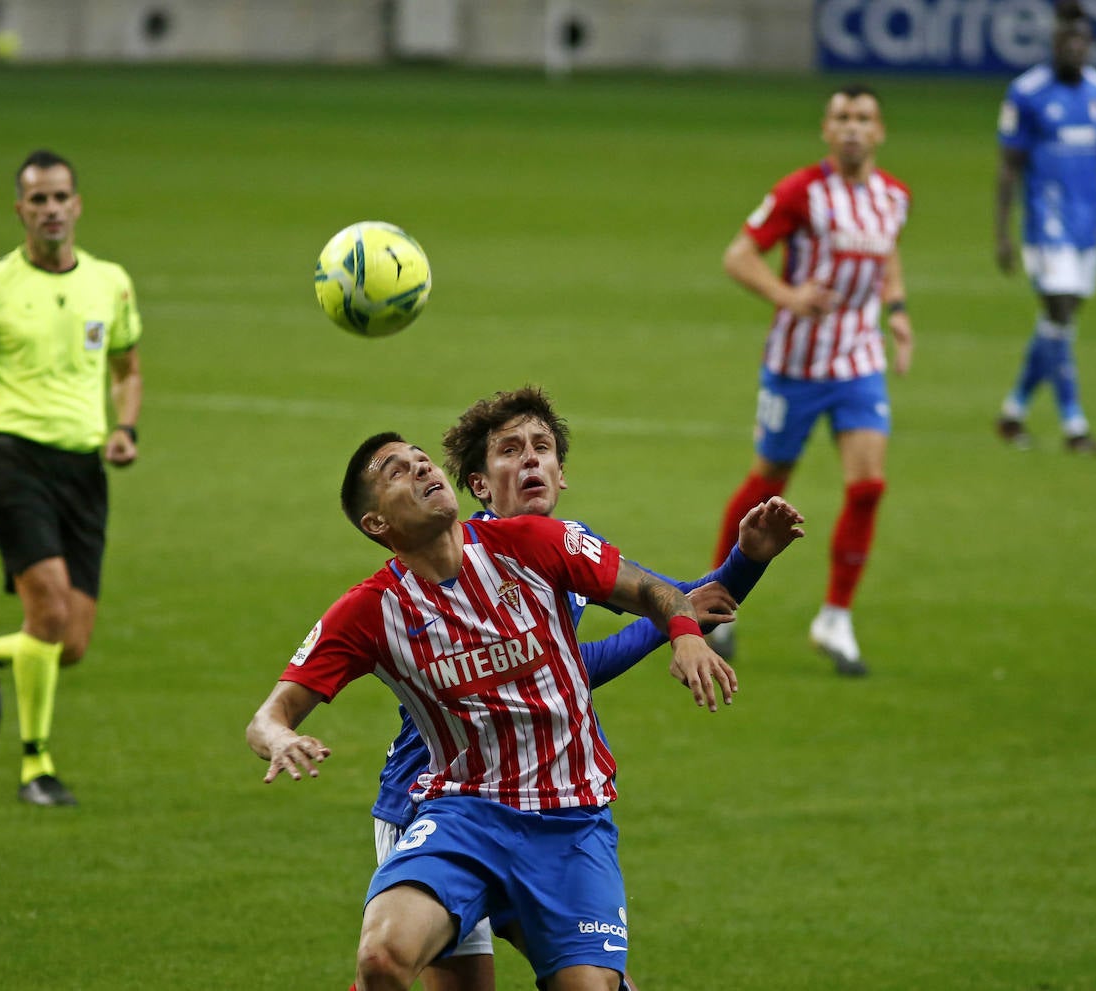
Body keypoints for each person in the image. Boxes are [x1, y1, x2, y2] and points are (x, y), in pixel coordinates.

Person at [247, 432, 744, 991]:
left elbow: (655, 590)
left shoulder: (532, 541)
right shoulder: (370, 611)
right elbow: (266, 717)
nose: (421, 469)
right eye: (396, 472)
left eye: (421, 459)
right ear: (376, 525)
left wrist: (685, 635)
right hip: (466, 817)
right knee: (382, 958)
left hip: (571, 820)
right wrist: (282, 737)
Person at [369, 386, 804, 991]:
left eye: (542, 448)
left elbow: (674, 600)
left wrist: (746, 560)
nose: (530, 460)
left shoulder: (567, 544)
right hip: (439, 802)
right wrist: (673, 628)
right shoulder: (464, 560)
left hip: (539, 798)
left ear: (561, 474)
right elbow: (574, 663)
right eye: (511, 449)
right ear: (478, 485)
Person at [0, 149, 143, 807]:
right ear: (20, 210)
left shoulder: (110, 282)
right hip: (11, 458)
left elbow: (128, 369)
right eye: (37, 199)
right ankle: (35, 767)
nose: (50, 209)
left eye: (60, 197)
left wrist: (124, 428)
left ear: (77, 205)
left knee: (69, 642)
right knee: (46, 606)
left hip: (82, 470)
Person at [708, 84, 913, 677]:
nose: (853, 127)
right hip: (795, 365)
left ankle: (836, 618)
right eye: (842, 117)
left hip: (859, 361)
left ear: (878, 132)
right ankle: (719, 599)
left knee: (869, 485)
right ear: (827, 130)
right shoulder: (801, 192)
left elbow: (888, 257)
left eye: (864, 118)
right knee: (767, 482)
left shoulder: (894, 197)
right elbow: (739, 254)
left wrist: (896, 314)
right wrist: (786, 295)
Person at [993, 0, 1096, 454]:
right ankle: (1074, 426)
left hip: (1088, 227)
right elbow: (1009, 167)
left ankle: (1013, 411)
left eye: (1082, 41)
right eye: (1067, 41)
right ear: (1054, 44)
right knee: (1059, 313)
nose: (1075, 48)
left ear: (1091, 45)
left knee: (1056, 325)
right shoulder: (1027, 92)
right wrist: (1002, 231)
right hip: (1047, 224)